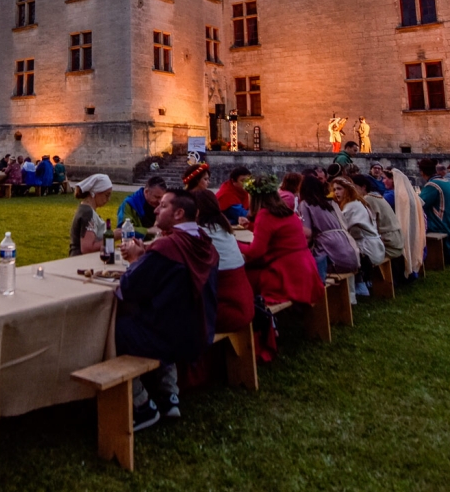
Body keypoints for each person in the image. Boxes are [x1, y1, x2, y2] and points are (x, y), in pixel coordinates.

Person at [115, 189, 217, 429]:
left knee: (116, 329)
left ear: (179, 213)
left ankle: (141, 405)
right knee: (161, 317)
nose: (156, 210)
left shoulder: (168, 248)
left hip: (171, 339)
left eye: (162, 206)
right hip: (201, 331)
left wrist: (135, 261)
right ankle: (169, 395)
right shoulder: (205, 243)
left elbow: (130, 287)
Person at [240, 176, 326, 307]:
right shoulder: (287, 212)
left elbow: (256, 251)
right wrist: (251, 226)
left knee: (243, 275)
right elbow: (277, 232)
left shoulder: (264, 215)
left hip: (287, 273)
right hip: (306, 269)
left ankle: (255, 317)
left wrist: (234, 243)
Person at [193, 190, 254, 337]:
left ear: (196, 210)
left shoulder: (200, 234)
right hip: (244, 306)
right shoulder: (223, 228)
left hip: (226, 312)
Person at [297, 175, 361, 276]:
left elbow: (307, 233)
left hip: (331, 254)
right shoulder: (330, 203)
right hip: (348, 250)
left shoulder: (305, 204)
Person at [332, 177, 385, 298]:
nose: (336, 192)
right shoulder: (357, 203)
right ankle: (359, 285)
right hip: (375, 246)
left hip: (369, 249)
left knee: (343, 257)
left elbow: (340, 228)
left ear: (348, 190)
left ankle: (351, 293)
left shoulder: (351, 206)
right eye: (334, 189)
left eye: (339, 189)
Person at [417, 159, 450, 263]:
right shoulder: (445, 181)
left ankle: (419, 258)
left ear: (422, 172)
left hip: (443, 224)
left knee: (413, 225)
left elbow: (419, 204)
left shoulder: (432, 185)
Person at [350, 175, 404, 261]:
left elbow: (366, 227)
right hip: (396, 240)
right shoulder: (374, 196)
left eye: (354, 188)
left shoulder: (368, 199)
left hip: (390, 244)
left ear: (363, 187)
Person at [68, 174, 114, 256]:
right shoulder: (87, 212)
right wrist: (112, 237)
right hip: (81, 263)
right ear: (95, 193)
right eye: (106, 195)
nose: (108, 199)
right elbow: (87, 248)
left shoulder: (86, 209)